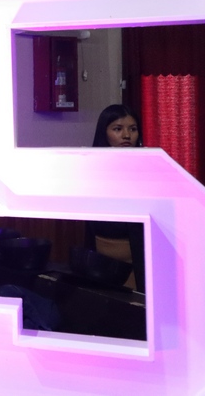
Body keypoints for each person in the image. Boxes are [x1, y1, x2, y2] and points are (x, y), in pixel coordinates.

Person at [87, 103, 146, 291]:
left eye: (133, 129)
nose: (127, 135)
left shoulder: (148, 168)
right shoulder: (91, 169)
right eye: (118, 129)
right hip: (101, 260)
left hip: (140, 259)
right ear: (104, 133)